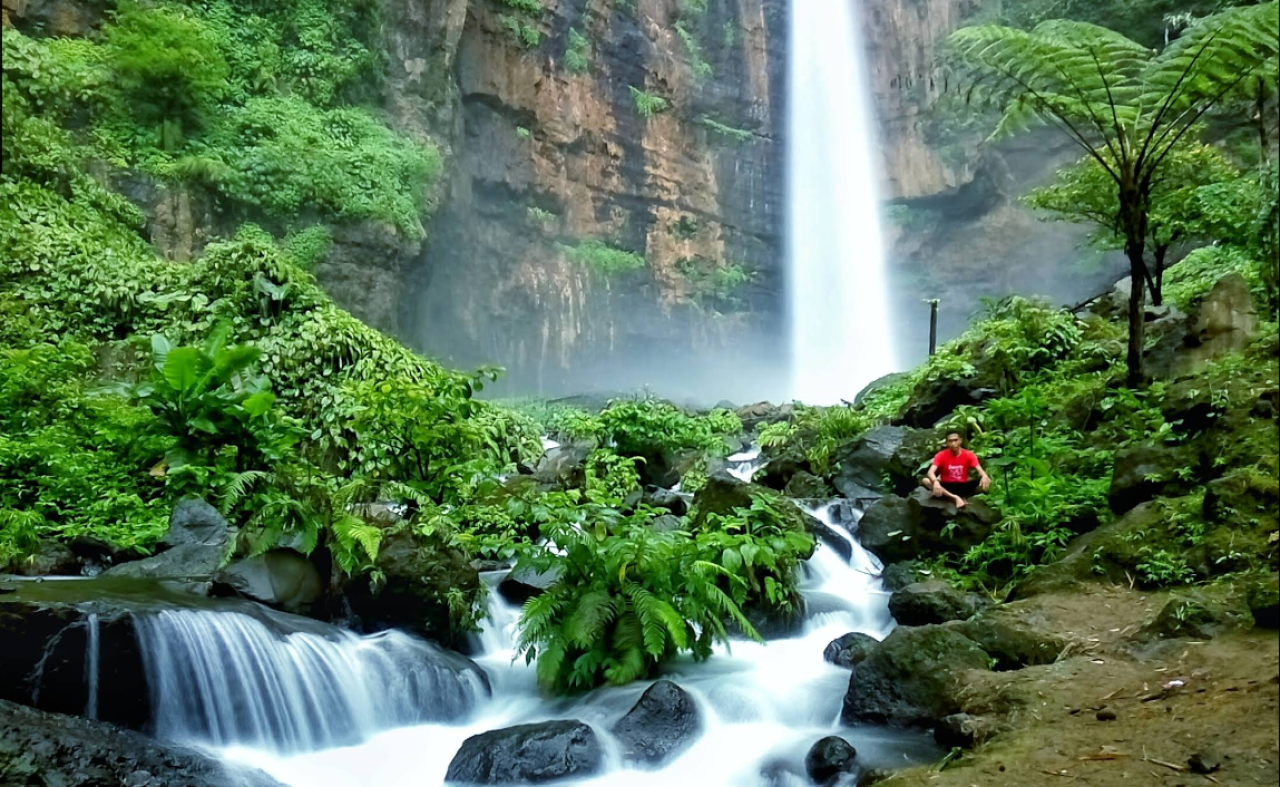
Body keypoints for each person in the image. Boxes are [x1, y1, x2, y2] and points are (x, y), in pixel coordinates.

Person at [921, 430, 991, 509]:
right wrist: (935, 482)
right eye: (950, 441)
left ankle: (961, 497)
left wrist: (984, 476)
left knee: (987, 481)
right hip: (947, 485)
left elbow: (980, 470)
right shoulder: (940, 455)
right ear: (947, 443)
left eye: (955, 440)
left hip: (963, 486)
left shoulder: (969, 454)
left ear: (960, 440)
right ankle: (954, 497)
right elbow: (930, 472)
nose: (953, 443)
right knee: (925, 480)